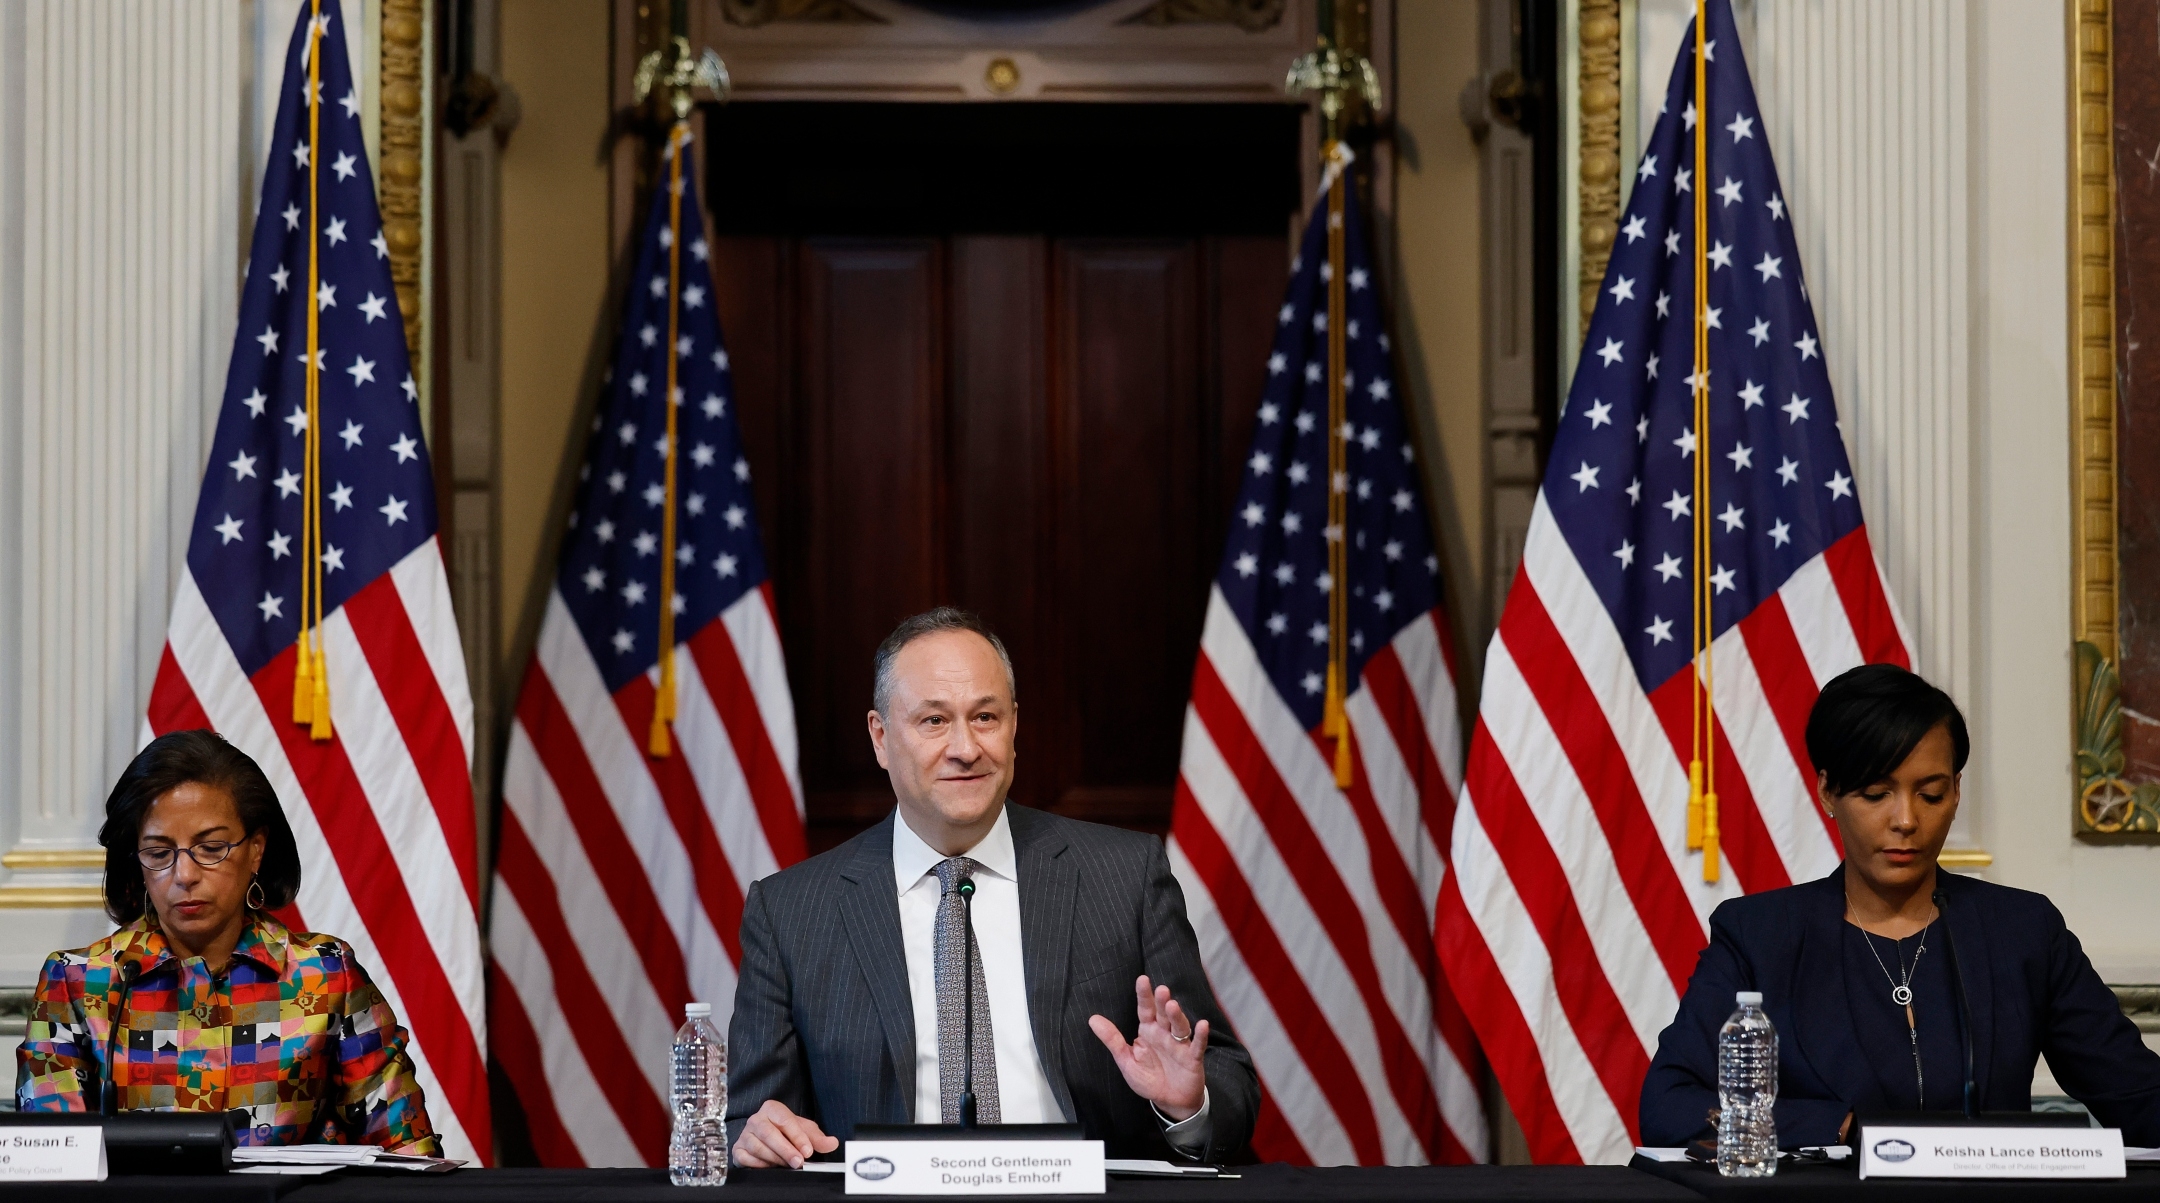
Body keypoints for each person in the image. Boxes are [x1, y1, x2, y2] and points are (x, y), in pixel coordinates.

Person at [728, 607, 1259, 1167]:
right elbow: (751, 1117)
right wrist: (758, 1134)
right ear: (881, 738)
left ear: (1013, 727)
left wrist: (1187, 1105)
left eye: (985, 717)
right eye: (934, 721)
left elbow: (1225, 1079)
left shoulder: (1125, 876)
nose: (965, 747)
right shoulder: (790, 912)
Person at [1641, 664, 2160, 1148]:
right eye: (1875, 794)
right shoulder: (1760, 935)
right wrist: (1841, 1127)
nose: (1906, 820)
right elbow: (1668, 1107)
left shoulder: (2022, 931)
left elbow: (2139, 1098)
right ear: (1827, 791)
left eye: (1930, 794)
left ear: (1956, 792)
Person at [16, 730, 439, 1153]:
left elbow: (406, 1154)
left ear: (256, 849)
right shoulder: (78, 983)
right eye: (159, 852)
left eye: (211, 847)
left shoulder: (326, 976)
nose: (183, 875)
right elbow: (51, 1166)